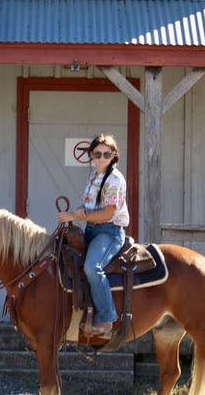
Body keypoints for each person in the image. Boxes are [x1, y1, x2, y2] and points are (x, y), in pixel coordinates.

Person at [58, 133, 129, 338]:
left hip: (110, 231)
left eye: (107, 154)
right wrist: (80, 210)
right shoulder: (94, 176)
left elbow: (108, 213)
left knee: (92, 267)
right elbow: (90, 206)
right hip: (92, 229)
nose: (102, 158)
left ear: (114, 155)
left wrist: (74, 215)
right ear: (91, 155)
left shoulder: (115, 179)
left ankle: (107, 317)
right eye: (97, 154)